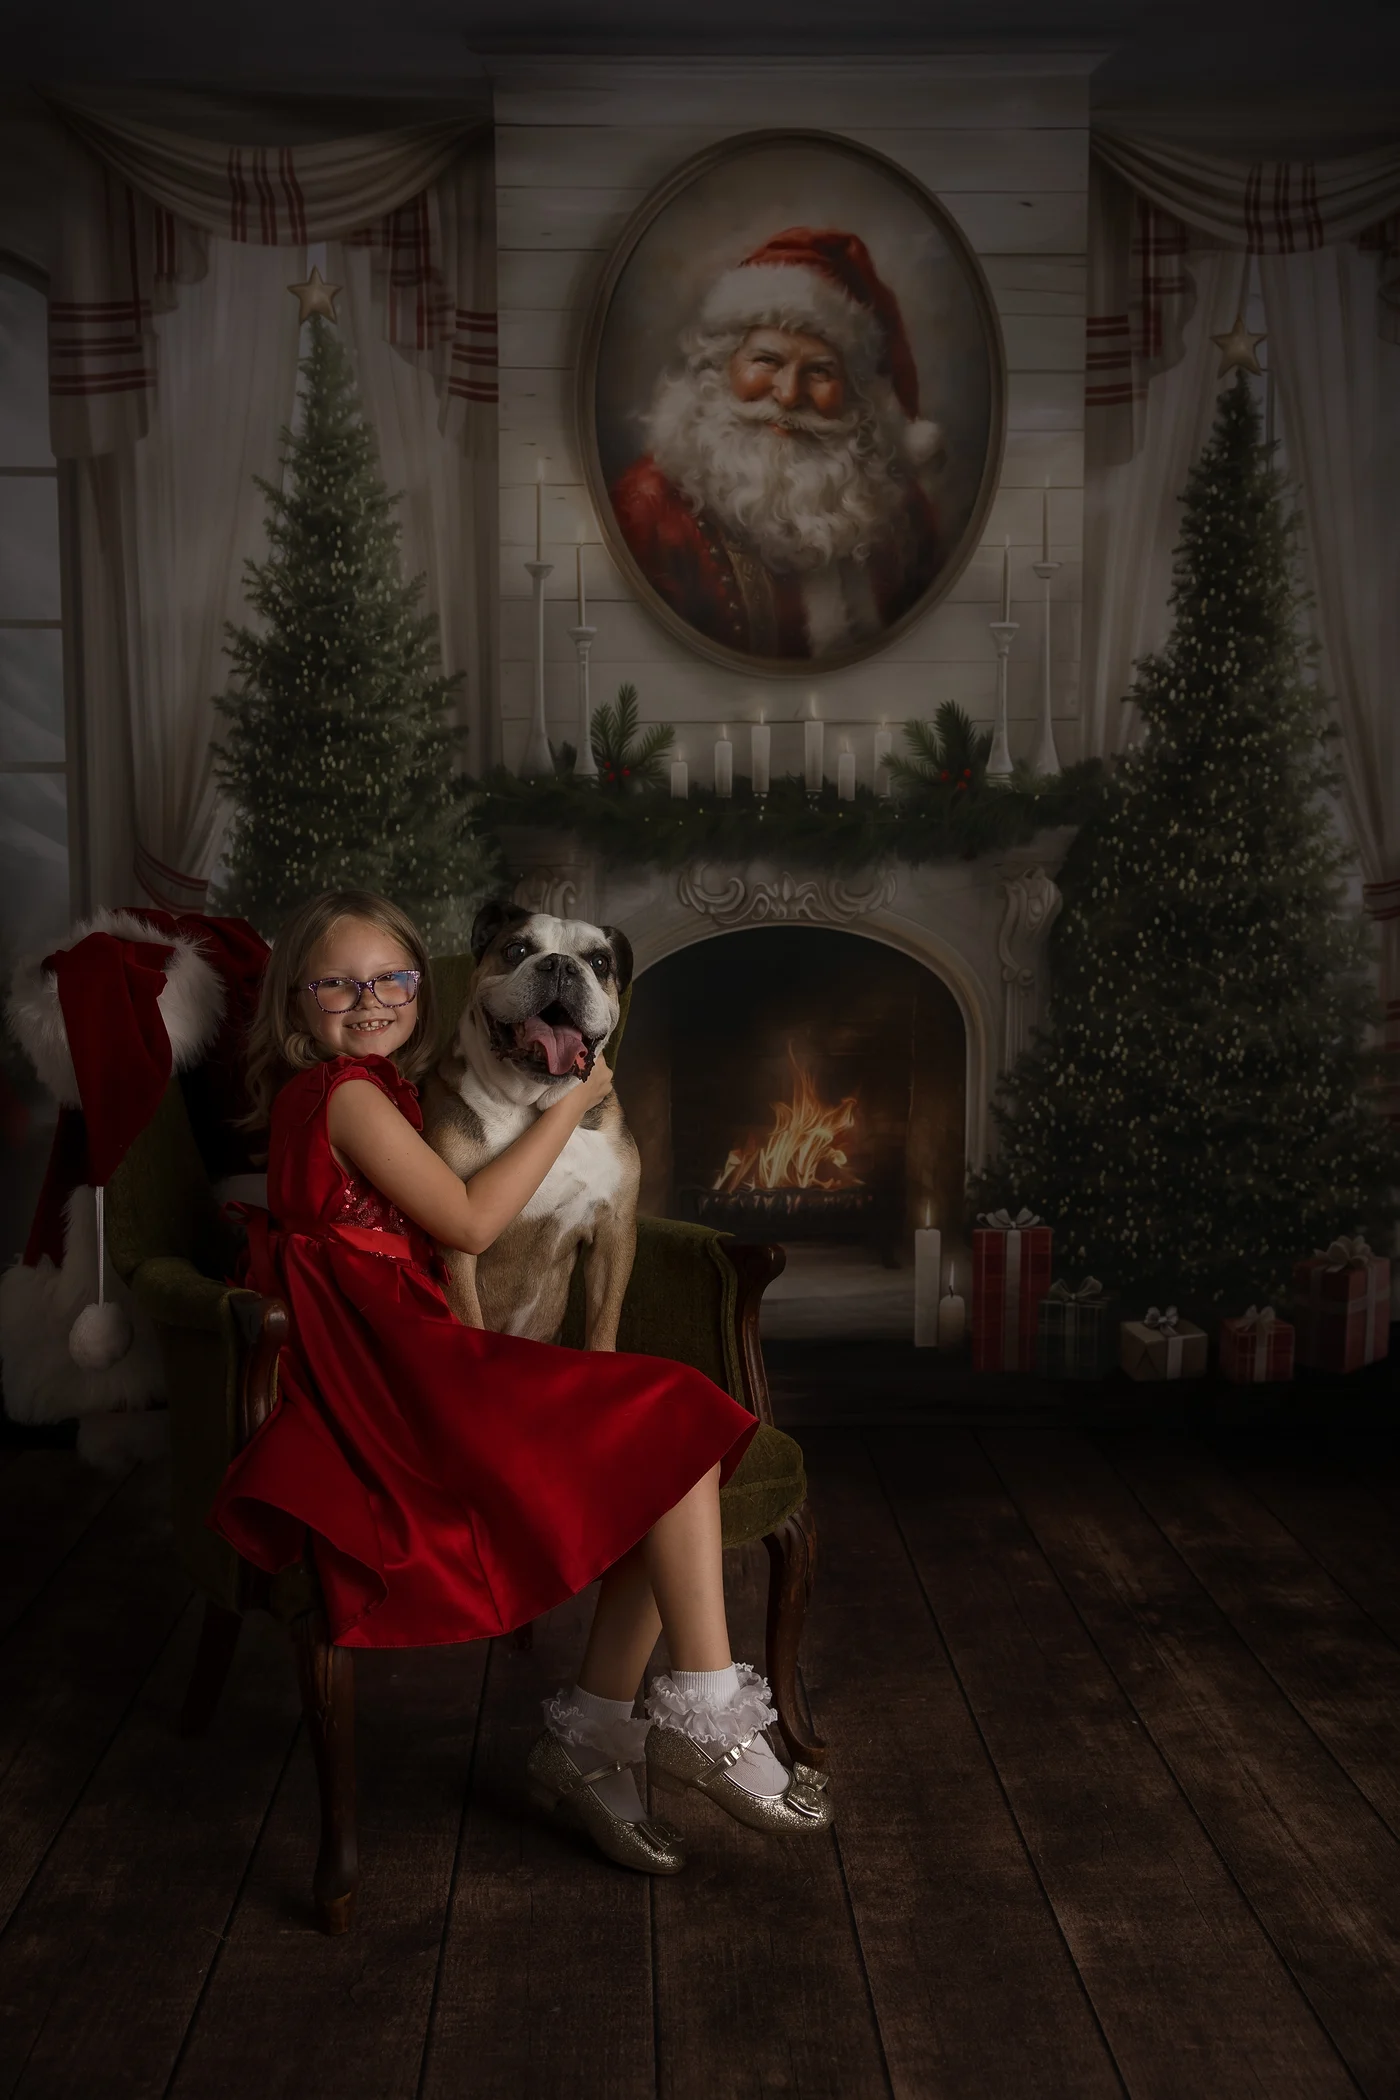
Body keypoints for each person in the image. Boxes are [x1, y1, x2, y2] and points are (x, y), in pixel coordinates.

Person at [209, 889, 831, 1876]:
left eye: (391, 978)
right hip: (403, 1374)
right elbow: (465, 1225)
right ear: (294, 1002)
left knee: (670, 1445)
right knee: (677, 1416)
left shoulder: (373, 1088)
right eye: (338, 985)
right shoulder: (347, 1096)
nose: (370, 1000)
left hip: (399, 1355)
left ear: (426, 986)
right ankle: (707, 1712)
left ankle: (595, 1737)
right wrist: (578, 1099)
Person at [611, 226, 944, 661]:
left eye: (820, 371)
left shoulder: (899, 504)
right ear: (722, 364)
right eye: (767, 360)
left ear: (854, 391)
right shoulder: (647, 509)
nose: (788, 395)